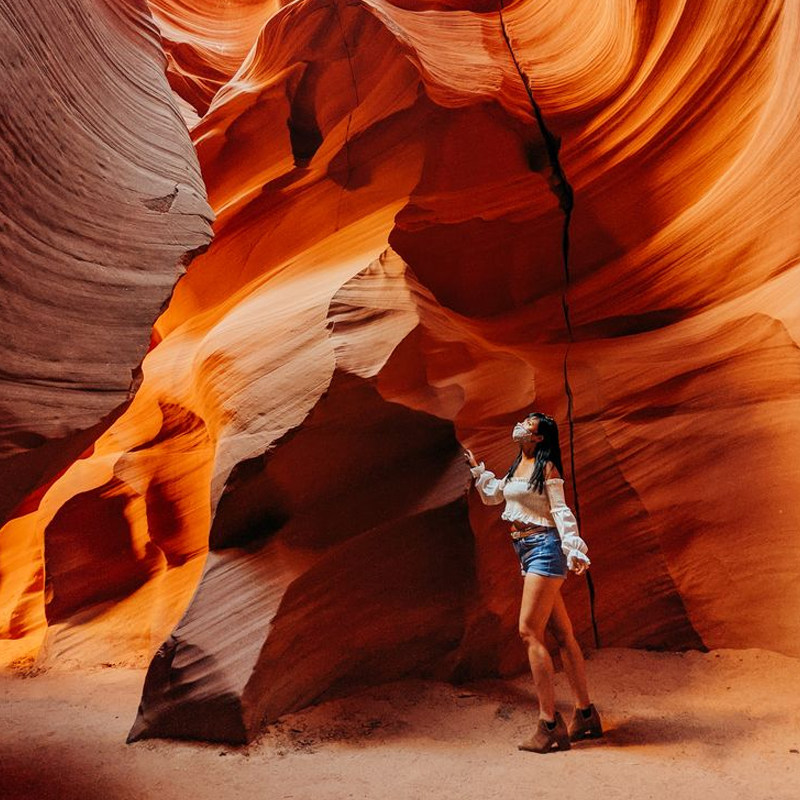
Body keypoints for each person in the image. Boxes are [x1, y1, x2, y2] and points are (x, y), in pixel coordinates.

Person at [464, 412, 603, 753]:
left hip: (545, 548)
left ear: (539, 438)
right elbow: (496, 495)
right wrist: (477, 470)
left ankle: (549, 725)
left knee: (528, 631)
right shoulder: (518, 466)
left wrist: (573, 547)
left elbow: (560, 510)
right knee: (562, 633)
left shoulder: (547, 469)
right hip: (526, 550)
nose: (521, 426)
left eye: (528, 425)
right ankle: (586, 715)